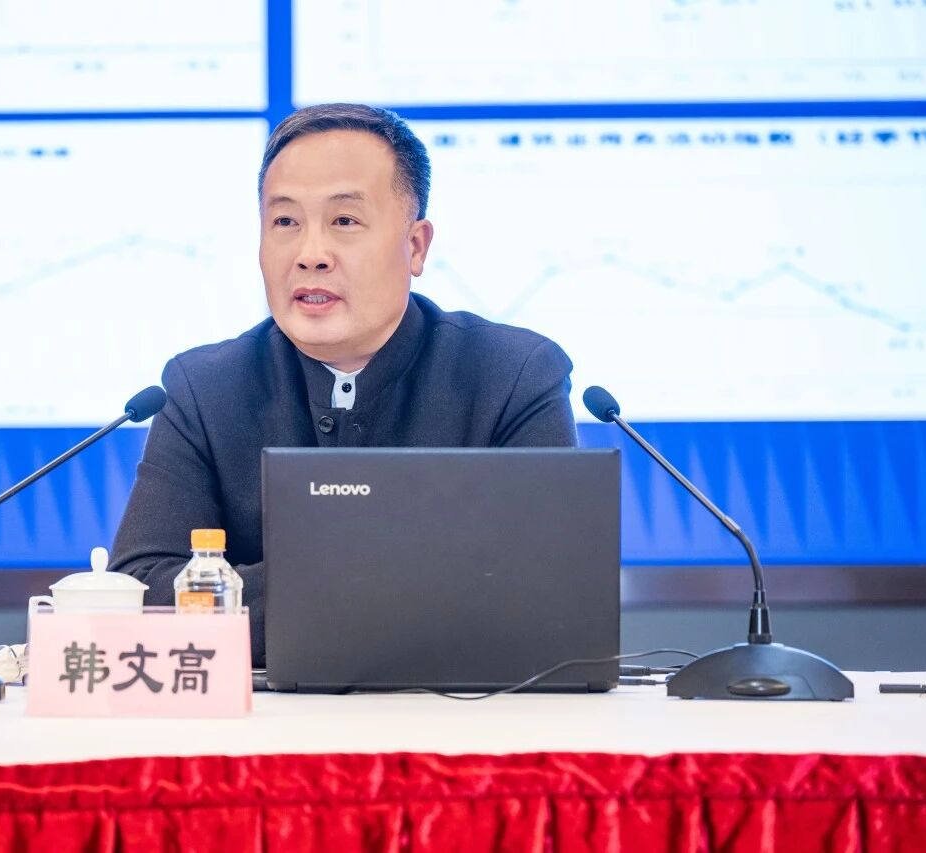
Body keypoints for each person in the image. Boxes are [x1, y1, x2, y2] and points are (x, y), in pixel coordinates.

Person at [111, 103, 577, 665]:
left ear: (415, 247)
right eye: (285, 223)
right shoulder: (205, 389)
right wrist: (413, 583)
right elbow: (142, 589)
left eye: (345, 222)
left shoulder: (512, 375)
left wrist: (262, 597)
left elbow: (551, 595)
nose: (310, 256)